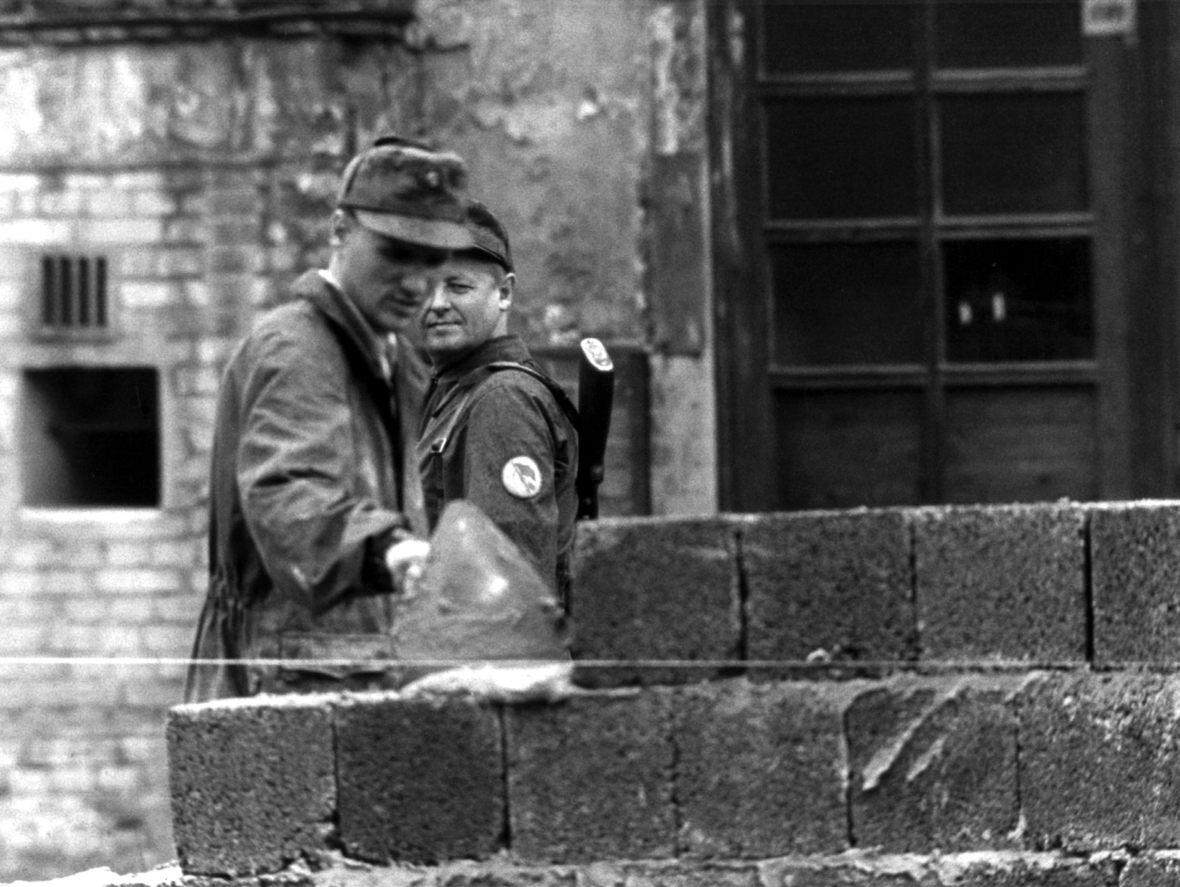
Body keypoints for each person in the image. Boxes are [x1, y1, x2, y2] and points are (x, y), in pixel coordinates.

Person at [184, 135, 475, 702]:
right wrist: (387, 548)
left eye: (433, 260)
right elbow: (288, 494)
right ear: (340, 232)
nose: (417, 283)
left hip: (348, 680)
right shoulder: (298, 351)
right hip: (281, 689)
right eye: (394, 253)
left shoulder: (398, 363)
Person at [415, 199, 579, 601]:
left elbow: (507, 584)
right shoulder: (455, 389)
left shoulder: (503, 400)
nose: (436, 305)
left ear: (504, 293)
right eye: (423, 287)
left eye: (458, 286)